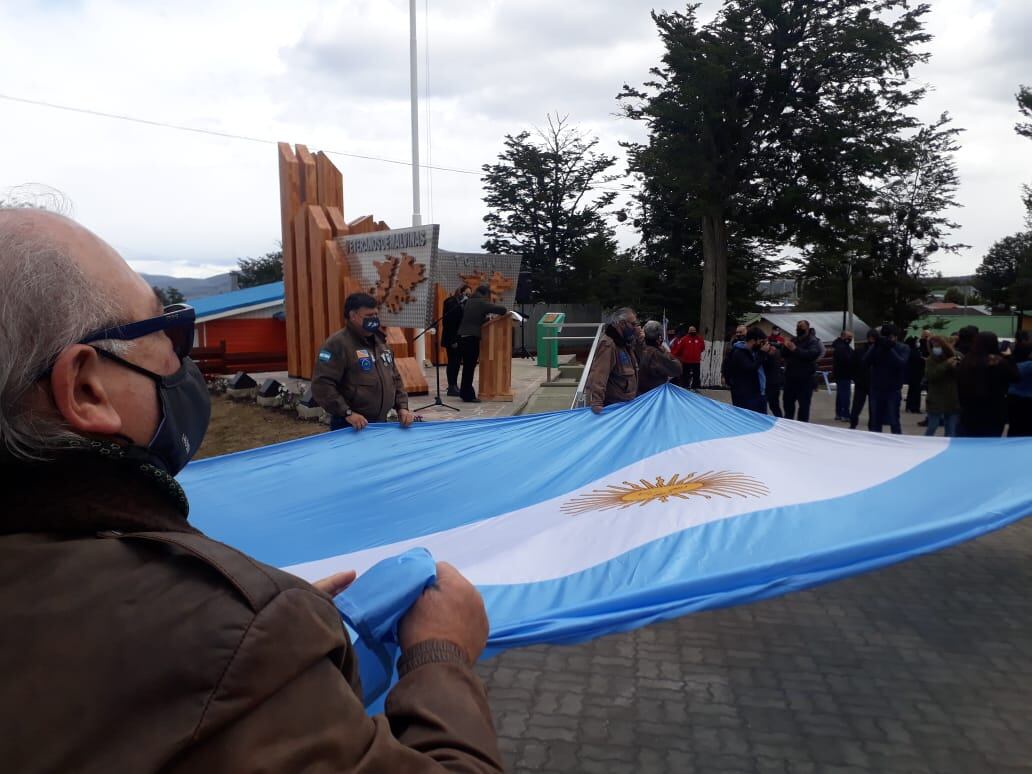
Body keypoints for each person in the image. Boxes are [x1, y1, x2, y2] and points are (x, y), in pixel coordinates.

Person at [0, 209, 503, 771]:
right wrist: (441, 655)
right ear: (86, 388)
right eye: (165, 331)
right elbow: (323, 387)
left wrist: (404, 408)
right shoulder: (235, 632)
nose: (178, 357)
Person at [313, 293, 415, 431]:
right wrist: (347, 412)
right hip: (350, 425)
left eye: (375, 315)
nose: (373, 320)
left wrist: (402, 407)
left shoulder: (381, 343)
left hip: (380, 424)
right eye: (368, 316)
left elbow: (395, 378)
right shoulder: (337, 344)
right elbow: (322, 385)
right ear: (353, 316)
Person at [956, 331, 1020, 437]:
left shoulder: (967, 361)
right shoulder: (998, 361)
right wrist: (1009, 358)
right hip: (993, 411)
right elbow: (1016, 377)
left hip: (968, 410)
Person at [456, 284, 507, 403]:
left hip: (463, 336)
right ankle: (468, 396)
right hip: (471, 338)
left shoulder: (470, 301)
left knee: (467, 367)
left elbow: (474, 318)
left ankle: (465, 393)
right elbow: (502, 310)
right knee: (469, 367)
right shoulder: (481, 302)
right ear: (485, 294)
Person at [586, 307, 641, 413]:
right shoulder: (609, 344)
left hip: (626, 405)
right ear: (622, 323)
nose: (636, 327)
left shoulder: (625, 343)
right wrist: (597, 402)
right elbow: (599, 374)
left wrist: (641, 341)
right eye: (633, 324)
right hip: (613, 407)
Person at [863, 324, 909, 434]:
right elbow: (865, 361)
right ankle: (876, 443)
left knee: (894, 420)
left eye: (890, 337)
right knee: (875, 420)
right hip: (876, 388)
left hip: (893, 389)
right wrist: (876, 345)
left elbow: (901, 363)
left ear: (895, 337)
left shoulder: (903, 348)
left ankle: (897, 442)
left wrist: (889, 348)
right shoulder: (877, 346)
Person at [781, 320, 823, 422]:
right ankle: (788, 423)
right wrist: (785, 347)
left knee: (804, 406)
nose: (798, 329)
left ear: (807, 329)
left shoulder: (813, 341)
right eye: (797, 327)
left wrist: (795, 349)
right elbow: (784, 355)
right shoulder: (794, 340)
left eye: (801, 327)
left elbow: (811, 355)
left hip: (805, 379)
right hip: (790, 378)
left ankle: (802, 426)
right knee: (788, 403)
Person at [725, 328, 771, 414]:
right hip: (746, 395)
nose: (762, 344)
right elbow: (750, 368)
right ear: (753, 340)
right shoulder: (739, 352)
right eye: (761, 342)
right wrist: (762, 353)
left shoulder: (754, 351)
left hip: (759, 392)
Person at [923, 336, 961, 437]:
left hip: (952, 397)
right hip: (935, 397)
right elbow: (930, 376)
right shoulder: (931, 360)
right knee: (932, 426)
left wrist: (956, 367)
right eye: (932, 346)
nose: (935, 348)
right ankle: (924, 447)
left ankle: (950, 448)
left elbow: (963, 375)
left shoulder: (956, 355)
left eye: (937, 345)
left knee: (951, 429)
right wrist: (946, 364)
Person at [441, 284, 471, 397]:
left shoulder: (463, 304)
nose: (468, 296)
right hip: (452, 338)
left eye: (469, 294)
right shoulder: (451, 302)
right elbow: (450, 323)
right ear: (460, 292)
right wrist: (453, 340)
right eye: (466, 294)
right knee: (453, 362)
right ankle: (452, 386)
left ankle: (453, 385)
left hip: (459, 337)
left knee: (457, 362)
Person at [638, 320, 683, 395]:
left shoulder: (638, 348)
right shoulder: (655, 354)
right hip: (653, 395)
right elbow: (677, 370)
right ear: (659, 337)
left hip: (639, 394)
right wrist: (664, 351)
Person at [849, 330, 878, 431]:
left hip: (873, 383)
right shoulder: (860, 351)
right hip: (862, 382)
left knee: (872, 408)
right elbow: (853, 366)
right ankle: (853, 423)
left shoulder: (877, 351)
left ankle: (871, 426)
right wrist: (856, 379)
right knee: (857, 406)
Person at [1007, 340, 1032, 437]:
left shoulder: (1012, 364)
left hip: (1012, 399)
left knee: (1014, 429)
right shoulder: (1029, 366)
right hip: (1027, 401)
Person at [671, 323, 705, 390]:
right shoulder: (684, 339)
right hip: (686, 361)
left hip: (696, 361)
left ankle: (695, 387)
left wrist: (696, 353)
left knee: (696, 375)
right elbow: (679, 349)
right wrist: (674, 355)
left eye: (694, 331)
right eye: (691, 331)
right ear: (689, 332)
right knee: (686, 374)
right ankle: (685, 386)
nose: (693, 333)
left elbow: (702, 348)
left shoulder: (699, 339)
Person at [831, 330, 854, 422]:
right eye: (849, 337)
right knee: (845, 395)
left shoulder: (840, 346)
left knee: (841, 394)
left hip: (840, 374)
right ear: (843, 337)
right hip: (844, 374)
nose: (850, 339)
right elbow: (847, 360)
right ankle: (845, 414)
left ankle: (839, 413)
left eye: (851, 337)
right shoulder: (843, 348)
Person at [763, 339, 786, 417]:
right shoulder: (776, 351)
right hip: (774, 382)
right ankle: (780, 420)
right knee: (774, 406)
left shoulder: (771, 353)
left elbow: (767, 365)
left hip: (771, 383)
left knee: (772, 405)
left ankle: (779, 421)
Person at [904, 336, 925, 414]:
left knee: (912, 390)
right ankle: (914, 407)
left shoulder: (912, 350)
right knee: (915, 391)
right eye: (917, 341)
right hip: (916, 373)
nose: (918, 343)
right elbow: (918, 360)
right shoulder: (913, 351)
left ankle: (910, 406)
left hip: (914, 373)